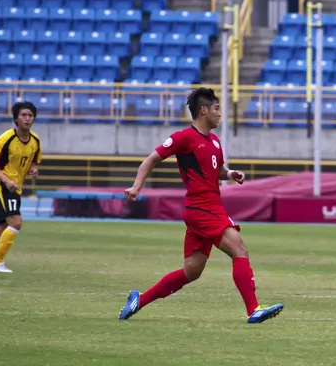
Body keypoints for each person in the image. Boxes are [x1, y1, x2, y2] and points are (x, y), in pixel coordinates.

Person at [118, 87, 284, 324]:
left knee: (192, 271)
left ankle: (139, 300)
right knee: (240, 250)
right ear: (203, 111)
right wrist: (136, 187)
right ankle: (253, 309)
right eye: (217, 108)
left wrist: (230, 173)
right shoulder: (183, 137)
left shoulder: (214, 141)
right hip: (202, 207)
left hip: (206, 208)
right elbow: (150, 160)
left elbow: (214, 170)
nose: (220, 114)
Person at [0, 102, 41, 273]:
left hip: (15, 187)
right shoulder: (7, 138)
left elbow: (33, 161)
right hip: (1, 185)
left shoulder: (35, 141)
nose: (27, 118)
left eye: (30, 115)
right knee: (15, 222)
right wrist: (6, 181)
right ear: (16, 118)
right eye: (24, 115)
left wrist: (32, 169)